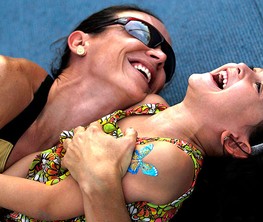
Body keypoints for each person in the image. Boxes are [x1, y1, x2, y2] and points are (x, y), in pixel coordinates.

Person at [0, 63, 263, 222]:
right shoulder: (150, 105)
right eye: (257, 68)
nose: (246, 68)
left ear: (235, 142)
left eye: (259, 86)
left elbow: (51, 203)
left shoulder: (173, 160)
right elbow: (47, 158)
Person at [0, 4, 176, 173]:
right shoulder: (8, 78)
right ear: (79, 43)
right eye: (142, 32)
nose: (161, 57)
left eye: (169, 65)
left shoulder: (111, 158)